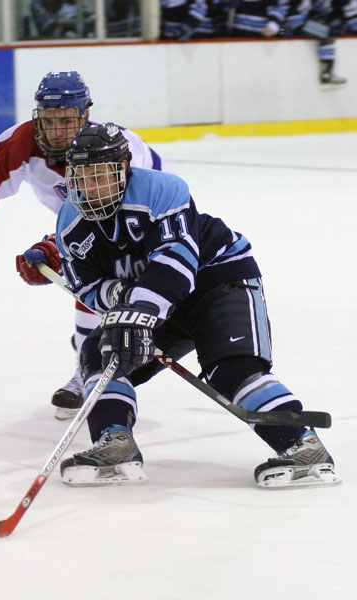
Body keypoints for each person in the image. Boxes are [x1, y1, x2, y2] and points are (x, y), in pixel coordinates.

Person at [24, 122, 340, 489]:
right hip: (156, 300)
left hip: (218, 280)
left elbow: (175, 259)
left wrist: (138, 312)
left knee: (232, 370)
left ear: (123, 168)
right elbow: (89, 287)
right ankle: (115, 444)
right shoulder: (69, 222)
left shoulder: (162, 189)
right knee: (101, 351)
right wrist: (124, 306)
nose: (90, 188)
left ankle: (303, 446)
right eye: (81, 177)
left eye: (100, 176)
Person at [0, 71, 173, 421]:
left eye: (66, 121)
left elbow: (116, 218)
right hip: (84, 221)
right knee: (90, 278)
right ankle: (86, 369)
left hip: (147, 220)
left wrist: (58, 247)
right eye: (49, 121)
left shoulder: (115, 148)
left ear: (84, 116)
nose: (58, 131)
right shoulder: (21, 142)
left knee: (110, 276)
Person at [282, 0, 347, 84]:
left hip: (301, 23)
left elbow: (319, 10)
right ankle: (328, 73)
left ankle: (327, 72)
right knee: (326, 33)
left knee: (329, 30)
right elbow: (283, 9)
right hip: (292, 26)